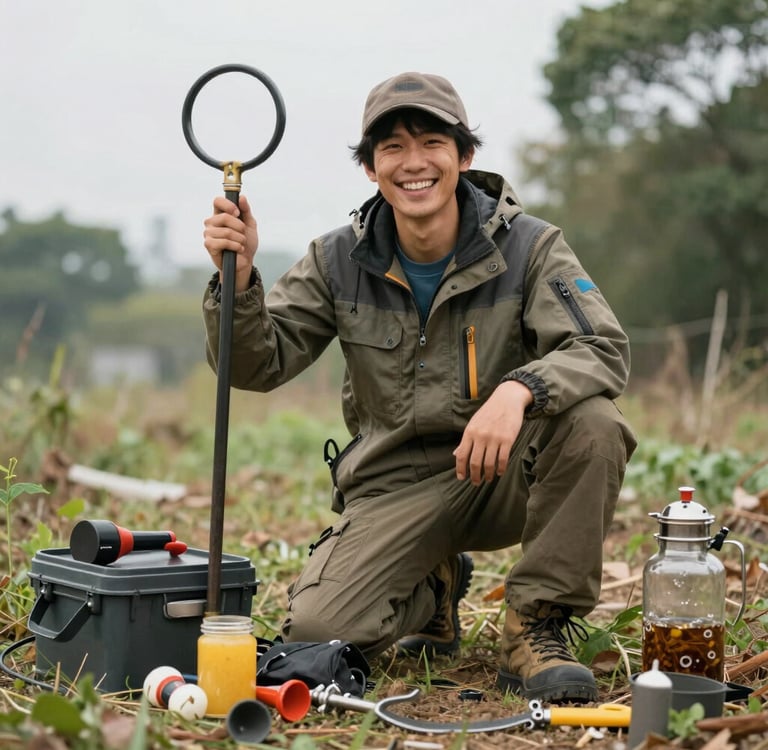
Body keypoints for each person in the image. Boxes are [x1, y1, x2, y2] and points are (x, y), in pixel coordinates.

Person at [201, 71, 637, 703]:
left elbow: (601, 346)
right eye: (392, 148)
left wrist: (517, 392)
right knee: (321, 634)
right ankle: (433, 586)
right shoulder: (335, 258)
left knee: (595, 423)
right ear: (371, 168)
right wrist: (236, 284)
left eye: (431, 142)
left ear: (464, 156)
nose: (413, 163)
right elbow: (255, 365)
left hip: (503, 473)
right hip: (392, 486)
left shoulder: (532, 247)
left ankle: (535, 627)